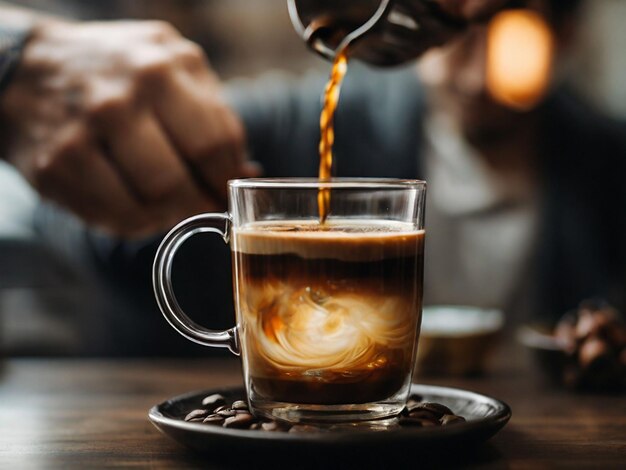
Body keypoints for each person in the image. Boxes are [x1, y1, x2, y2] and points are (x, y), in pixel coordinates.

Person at [0, 0, 624, 356]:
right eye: (460, 34)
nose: (476, 73)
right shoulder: (293, 120)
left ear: (566, 34)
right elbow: (74, 219)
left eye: (514, 35)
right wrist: (131, 183)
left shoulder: (606, 163)